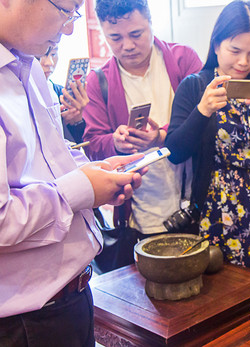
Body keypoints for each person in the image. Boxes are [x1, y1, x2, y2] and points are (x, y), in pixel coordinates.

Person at [0, 0, 145, 345]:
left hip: (71, 295)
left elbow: (49, 161)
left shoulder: (28, 66)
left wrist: (93, 171)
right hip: (24, 320)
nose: (69, 28)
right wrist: (82, 189)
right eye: (66, 10)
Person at [165, 0, 250, 279]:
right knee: (226, 292)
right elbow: (175, 151)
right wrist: (202, 110)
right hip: (220, 212)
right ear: (216, 45)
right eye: (235, 50)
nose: (243, 62)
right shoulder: (195, 86)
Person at [83, 0, 202, 235]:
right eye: (115, 38)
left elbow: (207, 120)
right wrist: (115, 142)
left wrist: (162, 136)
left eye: (136, 34)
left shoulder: (183, 59)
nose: (127, 45)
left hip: (195, 197)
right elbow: (93, 146)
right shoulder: (98, 82)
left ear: (150, 22)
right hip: (140, 209)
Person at [38, 45, 90, 143]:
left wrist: (76, 121)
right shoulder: (17, 93)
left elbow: (75, 146)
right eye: (41, 56)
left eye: (53, 54)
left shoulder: (60, 93)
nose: (50, 62)